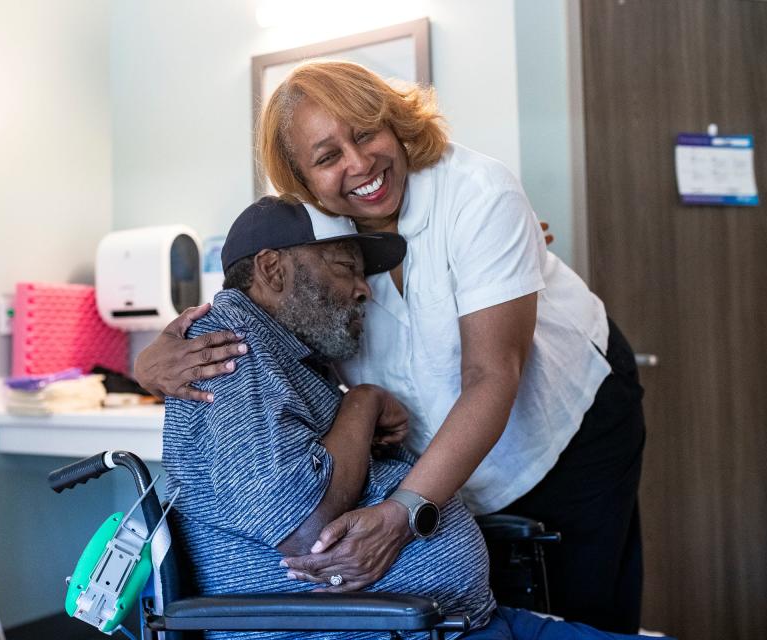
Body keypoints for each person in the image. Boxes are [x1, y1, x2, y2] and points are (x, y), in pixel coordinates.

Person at [138, 62, 646, 633]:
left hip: (560, 422)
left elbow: (492, 375)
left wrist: (406, 511)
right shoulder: (319, 239)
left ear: (395, 124)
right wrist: (151, 362)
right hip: (442, 459)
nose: (358, 165)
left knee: (584, 598)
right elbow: (257, 305)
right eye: (327, 157)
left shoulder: (476, 192)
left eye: (366, 133)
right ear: (303, 180)